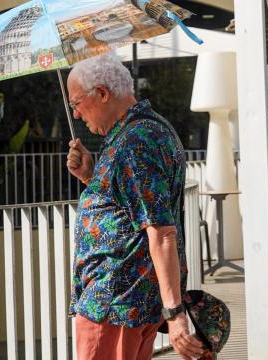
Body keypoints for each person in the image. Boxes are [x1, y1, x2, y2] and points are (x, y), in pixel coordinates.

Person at [66, 53, 205, 360]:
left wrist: (175, 314)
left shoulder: (134, 142)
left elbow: (161, 232)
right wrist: (91, 176)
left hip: (115, 302)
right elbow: (133, 210)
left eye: (77, 103)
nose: (76, 115)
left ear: (102, 93)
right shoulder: (147, 130)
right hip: (126, 301)